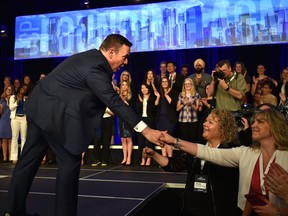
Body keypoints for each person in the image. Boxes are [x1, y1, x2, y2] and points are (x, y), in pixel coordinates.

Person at [3, 34, 163, 216]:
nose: (126, 62)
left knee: (27, 163)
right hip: (55, 117)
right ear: (111, 52)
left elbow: (81, 94)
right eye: (124, 57)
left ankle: (11, 211)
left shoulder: (89, 57)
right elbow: (113, 100)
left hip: (40, 110)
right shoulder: (97, 67)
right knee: (70, 162)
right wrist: (146, 130)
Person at [160, 108, 288, 216]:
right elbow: (209, 153)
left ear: (275, 126)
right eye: (253, 122)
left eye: (260, 122)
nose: (253, 125)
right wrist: (173, 141)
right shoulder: (246, 153)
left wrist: (278, 213)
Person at [143, 108, 241, 216]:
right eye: (205, 121)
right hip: (191, 209)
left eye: (210, 122)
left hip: (218, 210)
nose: (205, 124)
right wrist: (154, 155)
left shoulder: (232, 152)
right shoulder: (196, 147)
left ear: (223, 128)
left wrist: (174, 140)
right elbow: (174, 165)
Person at [8, 84, 28, 165]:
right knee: (15, 138)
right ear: (20, 88)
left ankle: (23, 157)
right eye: (23, 88)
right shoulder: (13, 97)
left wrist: (26, 102)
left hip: (23, 118)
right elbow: (11, 107)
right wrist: (17, 102)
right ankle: (14, 158)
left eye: (25, 89)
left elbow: (28, 109)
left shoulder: (26, 98)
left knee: (24, 138)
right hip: (15, 118)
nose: (24, 90)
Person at [0, 86, 14, 162]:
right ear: (5, 90)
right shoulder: (2, 100)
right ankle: (5, 157)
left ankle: (10, 157)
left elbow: (12, 108)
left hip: (11, 120)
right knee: (4, 139)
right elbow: (0, 112)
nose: (9, 90)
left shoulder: (13, 98)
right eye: (7, 89)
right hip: (3, 120)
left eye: (10, 89)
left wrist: (9, 101)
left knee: (10, 139)